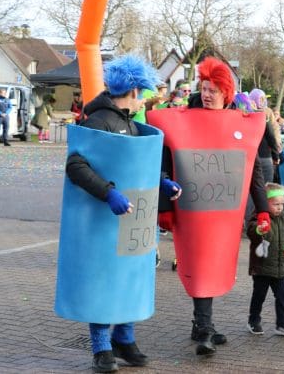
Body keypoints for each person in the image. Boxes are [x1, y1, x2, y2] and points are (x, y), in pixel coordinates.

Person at [62, 55, 181, 373]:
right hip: (105, 220)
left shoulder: (129, 123)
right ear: (133, 91)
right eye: (142, 93)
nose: (143, 100)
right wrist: (109, 192)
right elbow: (76, 165)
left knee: (130, 277)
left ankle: (124, 339)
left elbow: (138, 165)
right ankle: (101, 347)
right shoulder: (99, 122)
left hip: (130, 220)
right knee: (104, 279)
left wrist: (162, 181)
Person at [151, 57, 271, 356]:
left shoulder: (239, 124)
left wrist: (263, 209)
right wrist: (164, 207)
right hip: (191, 212)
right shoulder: (182, 120)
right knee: (200, 264)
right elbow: (164, 166)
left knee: (214, 264)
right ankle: (204, 329)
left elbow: (253, 173)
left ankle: (201, 324)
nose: (206, 94)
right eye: (204, 88)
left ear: (226, 93)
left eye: (213, 90)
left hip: (224, 216)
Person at [246, 183, 284, 337]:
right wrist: (259, 229)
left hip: (280, 267)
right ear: (265, 203)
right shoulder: (259, 217)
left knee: (282, 296)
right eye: (276, 204)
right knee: (259, 296)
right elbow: (251, 231)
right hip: (262, 267)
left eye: (282, 204)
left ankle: (282, 323)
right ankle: (253, 320)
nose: (280, 207)